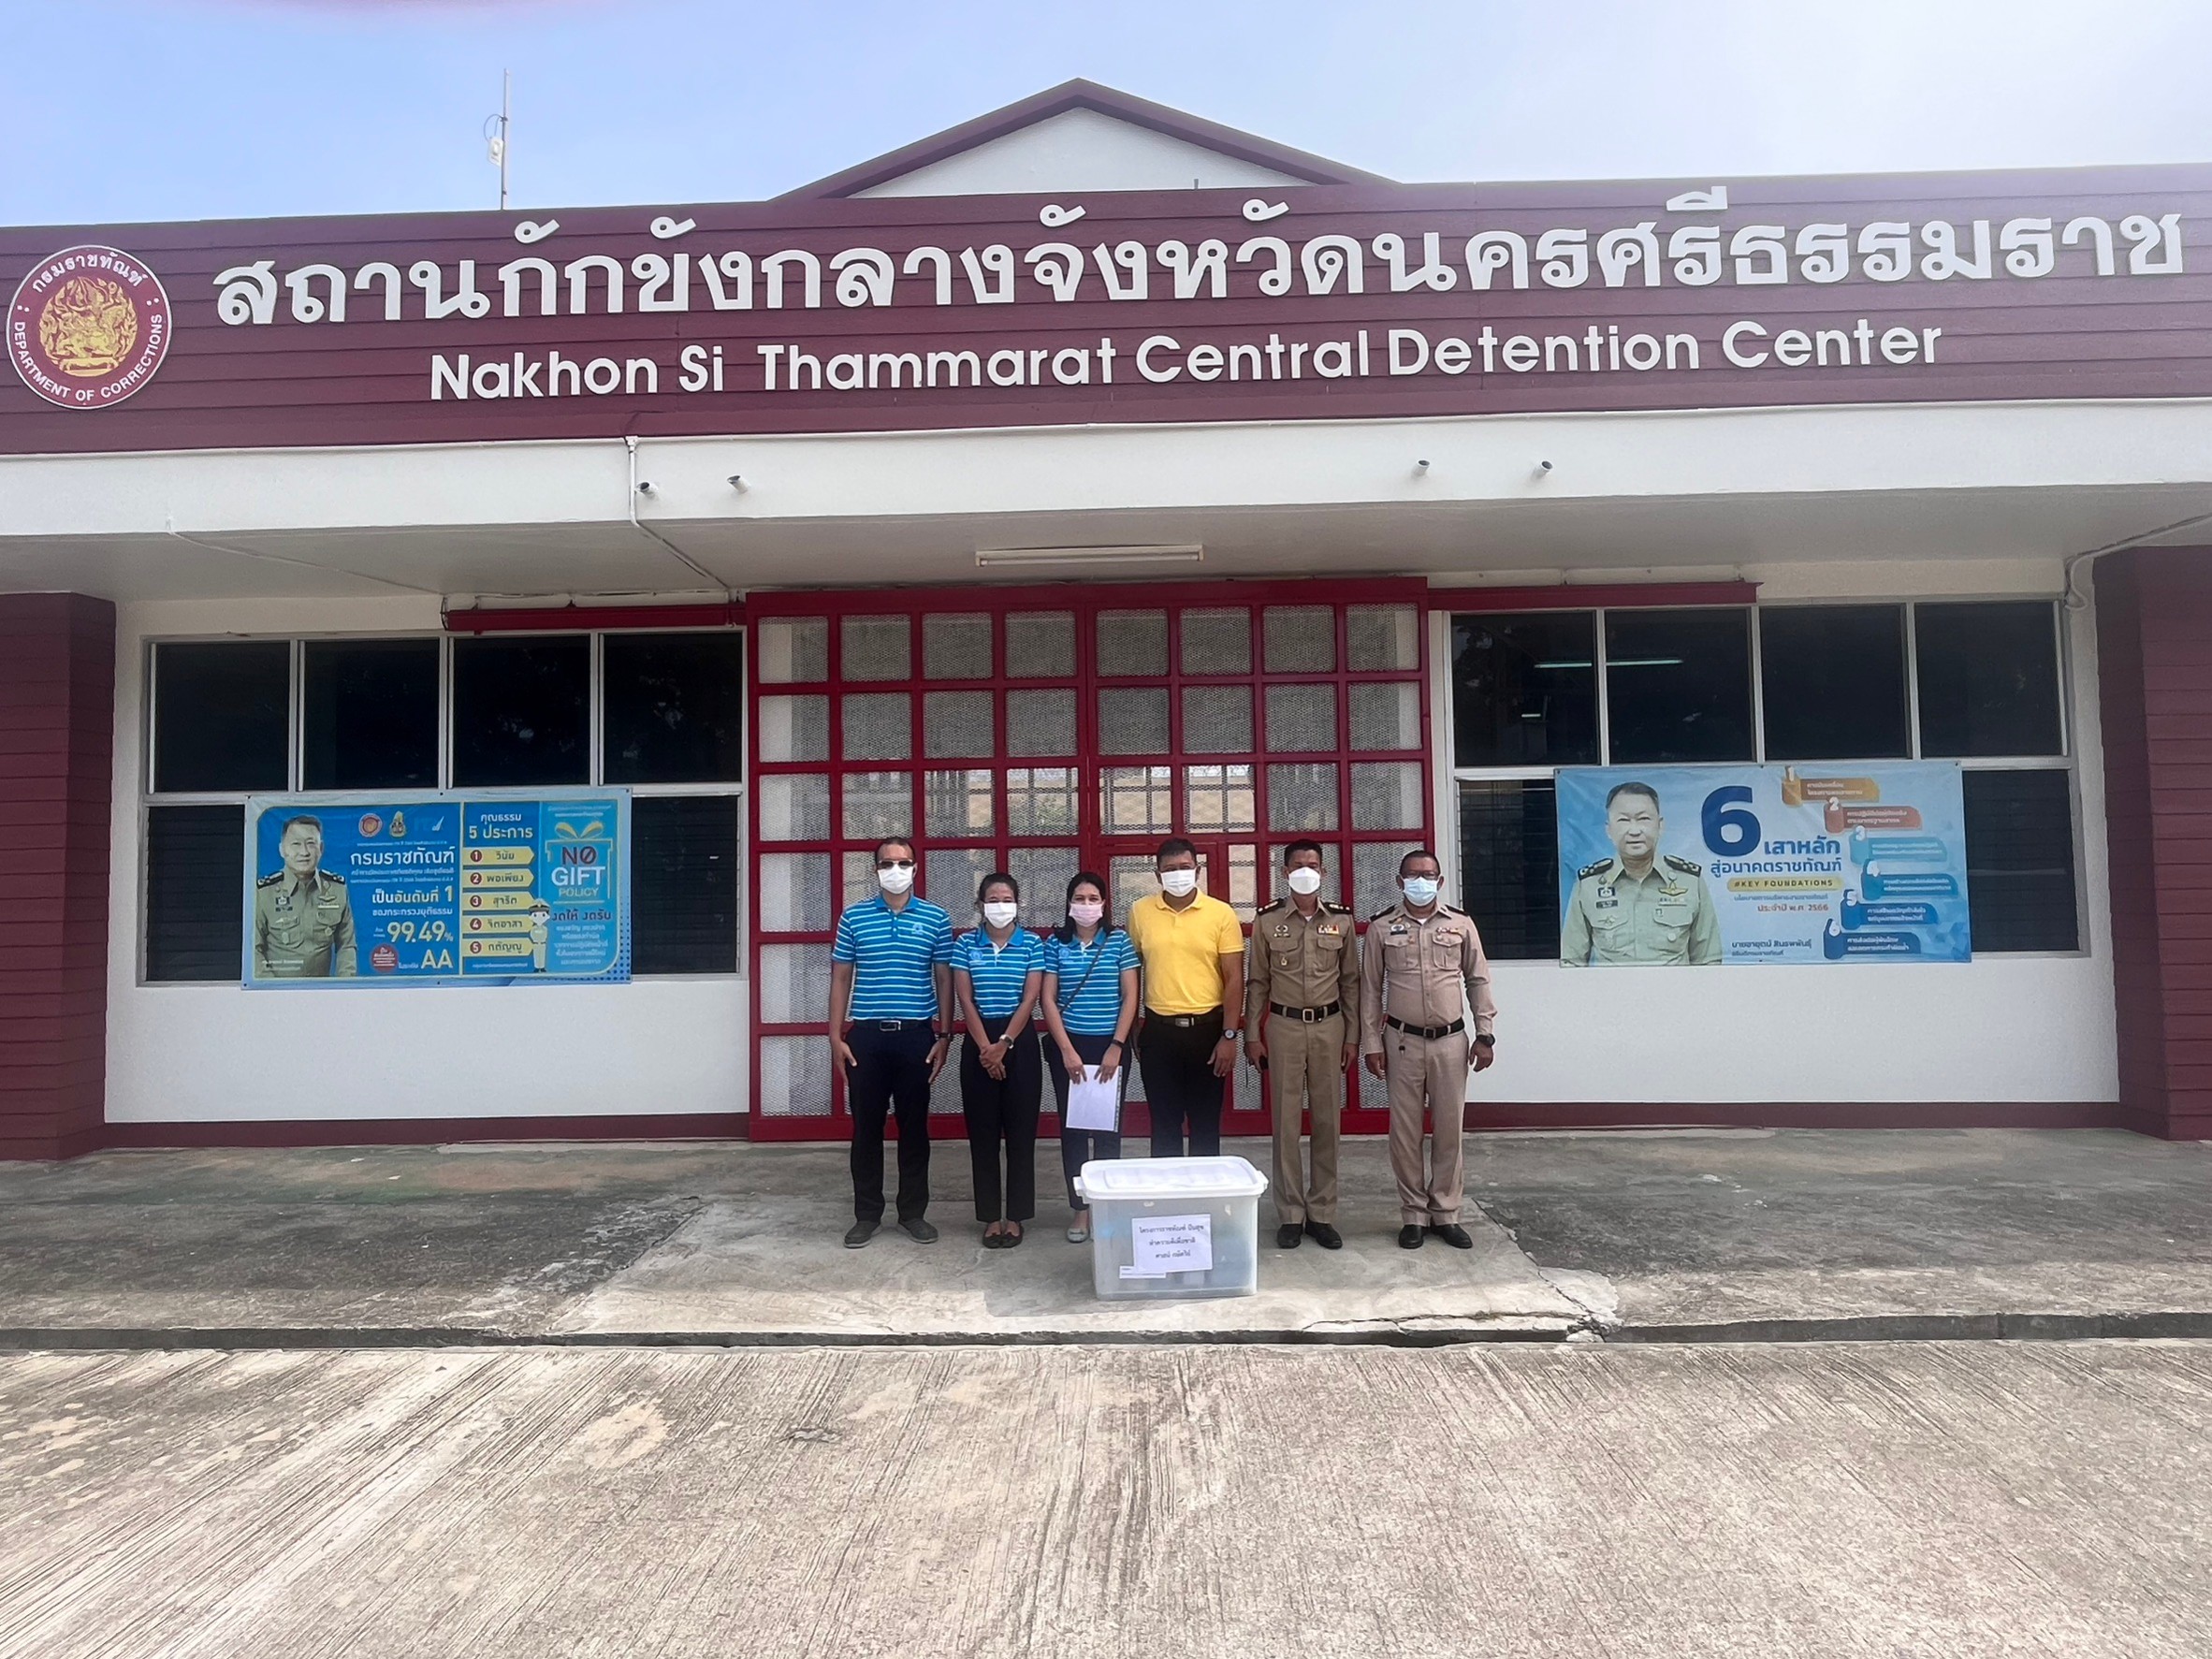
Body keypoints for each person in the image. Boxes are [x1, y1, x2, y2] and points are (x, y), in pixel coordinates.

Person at [1360, 849, 1498, 1251]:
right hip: (1401, 1042)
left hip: (1452, 1043)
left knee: (1449, 1130)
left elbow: (1478, 980)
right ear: (1399, 881)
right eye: (1413, 875)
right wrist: (1371, 1043)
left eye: (1428, 875)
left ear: (1439, 882)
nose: (1421, 881)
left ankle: (1446, 1213)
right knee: (1405, 1133)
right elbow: (1370, 989)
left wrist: (1484, 1034)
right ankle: (1413, 1215)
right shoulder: (1382, 928)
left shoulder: (1461, 924)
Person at [828, 835, 954, 1249]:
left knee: (914, 1128)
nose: (895, 870)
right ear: (876, 869)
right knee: (865, 1129)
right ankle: (866, 1214)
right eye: (887, 864)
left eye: (903, 863)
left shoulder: (936, 919)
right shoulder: (854, 918)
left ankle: (913, 1213)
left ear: (916, 868)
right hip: (865, 1037)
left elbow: (944, 979)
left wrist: (945, 1035)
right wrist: (834, 1034)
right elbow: (842, 977)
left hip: (916, 1036)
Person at [1244, 839, 1360, 1250]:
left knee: (1328, 1122)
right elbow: (1256, 982)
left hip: (1329, 1027)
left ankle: (1322, 1212)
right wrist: (1252, 1035)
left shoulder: (1342, 921)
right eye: (1298, 865)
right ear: (1284, 872)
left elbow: (1351, 983)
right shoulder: (1266, 921)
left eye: (1313, 864)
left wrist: (1353, 1036)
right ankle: (1291, 1213)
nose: (1306, 870)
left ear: (1324, 872)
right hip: (1284, 1026)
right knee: (1286, 1125)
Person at [1126, 837, 1245, 1158]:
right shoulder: (1140, 912)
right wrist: (1133, 1025)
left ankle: (1204, 1204)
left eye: (1185, 867)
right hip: (1158, 1032)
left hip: (1208, 1032)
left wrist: (1229, 1035)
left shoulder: (1221, 914)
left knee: (1205, 1126)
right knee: (1164, 1126)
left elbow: (1234, 978)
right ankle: (1169, 1204)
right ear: (1157, 874)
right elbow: (1132, 971)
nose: (1178, 874)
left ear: (1198, 870)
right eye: (1170, 869)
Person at [1039, 871, 1139, 1244]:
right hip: (1069, 1047)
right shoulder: (1056, 945)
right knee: (1075, 1131)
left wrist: (1117, 1044)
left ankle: (1106, 1208)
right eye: (1079, 898)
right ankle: (1080, 1209)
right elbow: (1047, 998)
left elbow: (1130, 996)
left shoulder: (1119, 942)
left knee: (1108, 1131)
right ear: (1069, 904)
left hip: (1110, 1046)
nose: (1086, 905)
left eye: (1092, 898)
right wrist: (1066, 1050)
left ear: (1103, 903)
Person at [952, 872, 1045, 1249]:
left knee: (1022, 1135)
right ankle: (991, 1216)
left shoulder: (1033, 944)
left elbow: (1031, 998)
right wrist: (986, 1049)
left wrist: (1004, 1043)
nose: (1000, 905)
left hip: (1019, 1040)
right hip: (977, 1040)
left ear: (1017, 904)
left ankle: (1018, 1215)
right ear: (980, 905)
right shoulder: (964, 945)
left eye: (1007, 899)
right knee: (984, 1135)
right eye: (993, 898)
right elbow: (965, 999)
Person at [1560, 780, 1721, 966]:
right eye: (1624, 820)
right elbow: (1572, 962)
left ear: (1660, 826)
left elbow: (1709, 961)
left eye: (1643, 819)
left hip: (1674, 994)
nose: (1634, 830)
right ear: (1609, 830)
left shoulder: (1691, 882)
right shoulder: (1588, 885)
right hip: (1612, 994)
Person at [253, 814, 357, 979]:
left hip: (322, 995)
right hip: (277, 994)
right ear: (282, 849)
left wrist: (344, 987)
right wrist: (271, 991)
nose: (304, 852)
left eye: (311, 844)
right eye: (296, 844)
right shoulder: (264, 893)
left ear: (321, 848)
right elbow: (253, 949)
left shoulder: (337, 890)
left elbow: (347, 945)